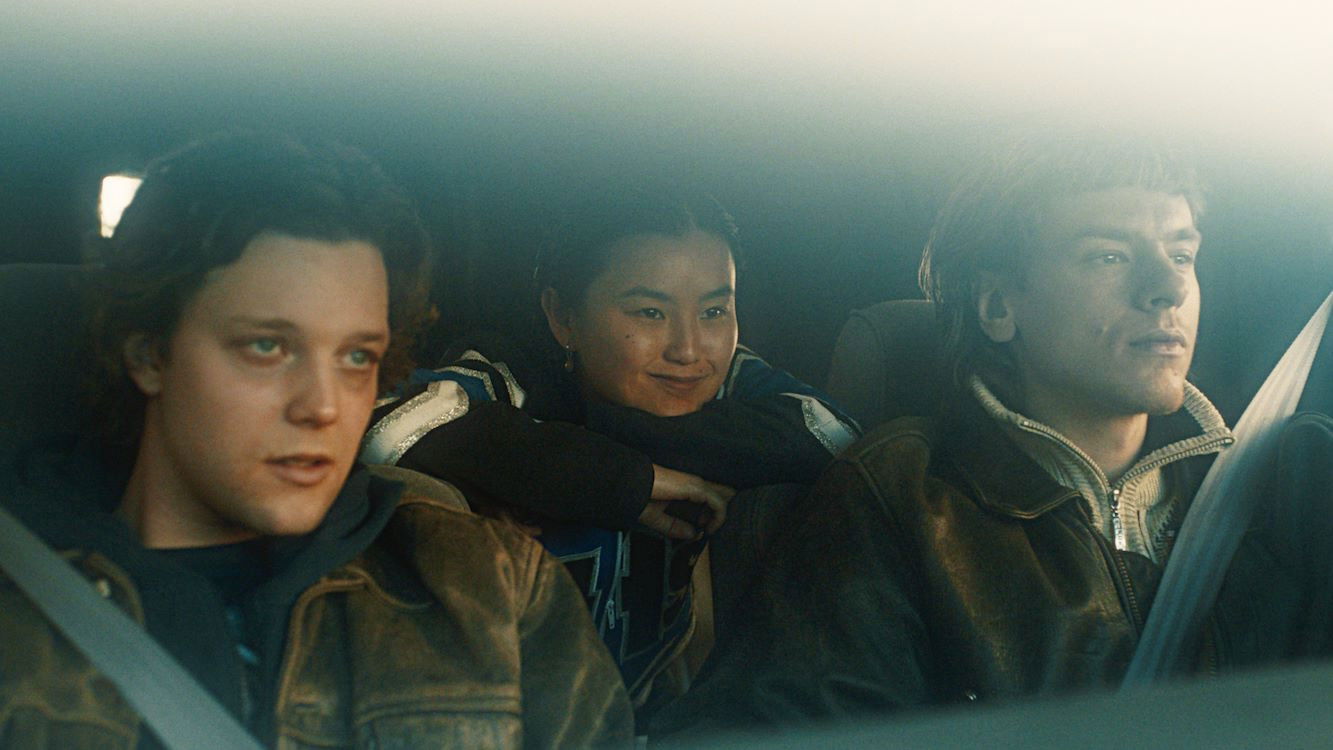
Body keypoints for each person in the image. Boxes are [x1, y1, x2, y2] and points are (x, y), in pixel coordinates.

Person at [653, 134, 1333, 734]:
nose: (1167, 289)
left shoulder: (1287, 488)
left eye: (1181, 255)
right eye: (1109, 256)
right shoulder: (903, 499)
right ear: (999, 306)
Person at [0, 132, 633, 748]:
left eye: (357, 357)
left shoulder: (491, 587)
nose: (324, 407)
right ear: (149, 355)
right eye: (267, 347)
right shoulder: (21, 613)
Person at [361, 184, 860, 714]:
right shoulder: (514, 374)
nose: (689, 348)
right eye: (650, 313)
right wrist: (617, 480)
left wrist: (586, 452)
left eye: (715, 311)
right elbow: (386, 427)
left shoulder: (728, 374)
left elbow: (835, 433)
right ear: (563, 317)